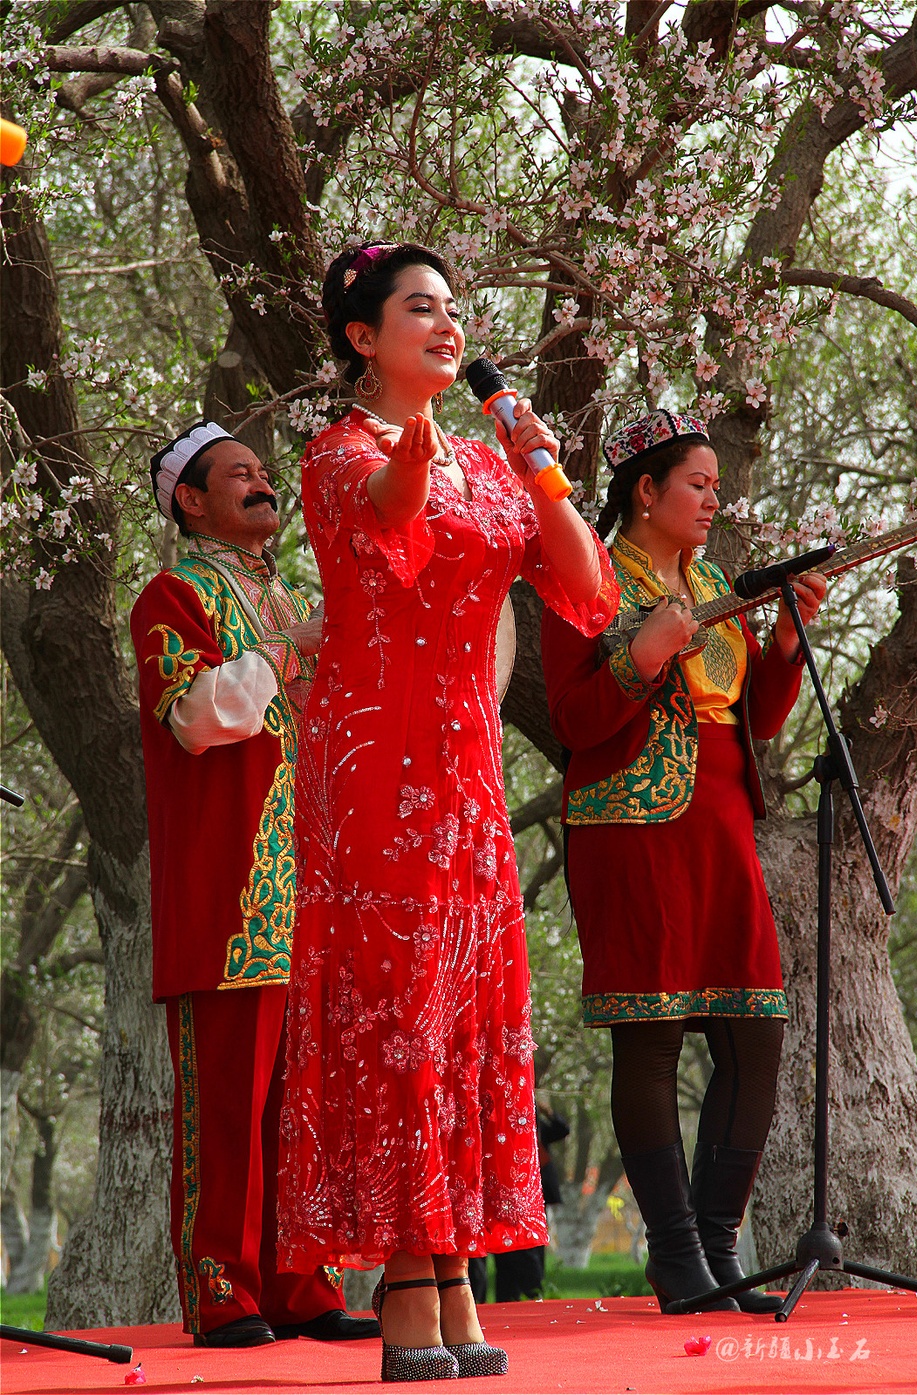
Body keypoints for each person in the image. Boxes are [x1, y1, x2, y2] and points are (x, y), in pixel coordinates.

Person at [276, 241, 619, 1381]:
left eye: (455, 308)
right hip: (375, 767)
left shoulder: (487, 455)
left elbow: (582, 590)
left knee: (463, 1011)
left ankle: (456, 1262)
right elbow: (387, 519)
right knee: (395, 1009)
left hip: (466, 767)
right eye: (419, 309)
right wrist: (416, 465)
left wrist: (541, 470)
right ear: (362, 337)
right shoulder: (335, 453)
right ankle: (405, 1283)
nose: (448, 323)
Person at [540, 409, 827, 1314]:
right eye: (698, 484)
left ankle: (711, 1246)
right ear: (646, 489)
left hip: (722, 823)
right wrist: (641, 656)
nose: (714, 498)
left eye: (715, 484)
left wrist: (784, 642)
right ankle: (674, 1255)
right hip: (631, 822)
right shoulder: (581, 576)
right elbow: (576, 723)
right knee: (653, 1030)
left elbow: (760, 717)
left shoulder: (714, 583)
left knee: (758, 1030)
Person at [131, 422, 378, 1347]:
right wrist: (288, 651)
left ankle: (301, 1283)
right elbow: (196, 719)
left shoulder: (285, 596)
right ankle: (223, 1289)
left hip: (310, 892)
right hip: (228, 895)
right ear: (191, 500)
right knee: (229, 1104)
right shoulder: (172, 594)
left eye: (265, 472)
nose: (263, 483)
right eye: (240, 475)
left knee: (303, 1098)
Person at [492, 1101, 570, 1301]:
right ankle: (511, 1294)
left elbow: (562, 1130)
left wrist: (549, 1111)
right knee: (508, 1246)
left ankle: (536, 1289)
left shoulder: (538, 1127)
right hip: (508, 1187)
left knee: (534, 1241)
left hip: (537, 1189)